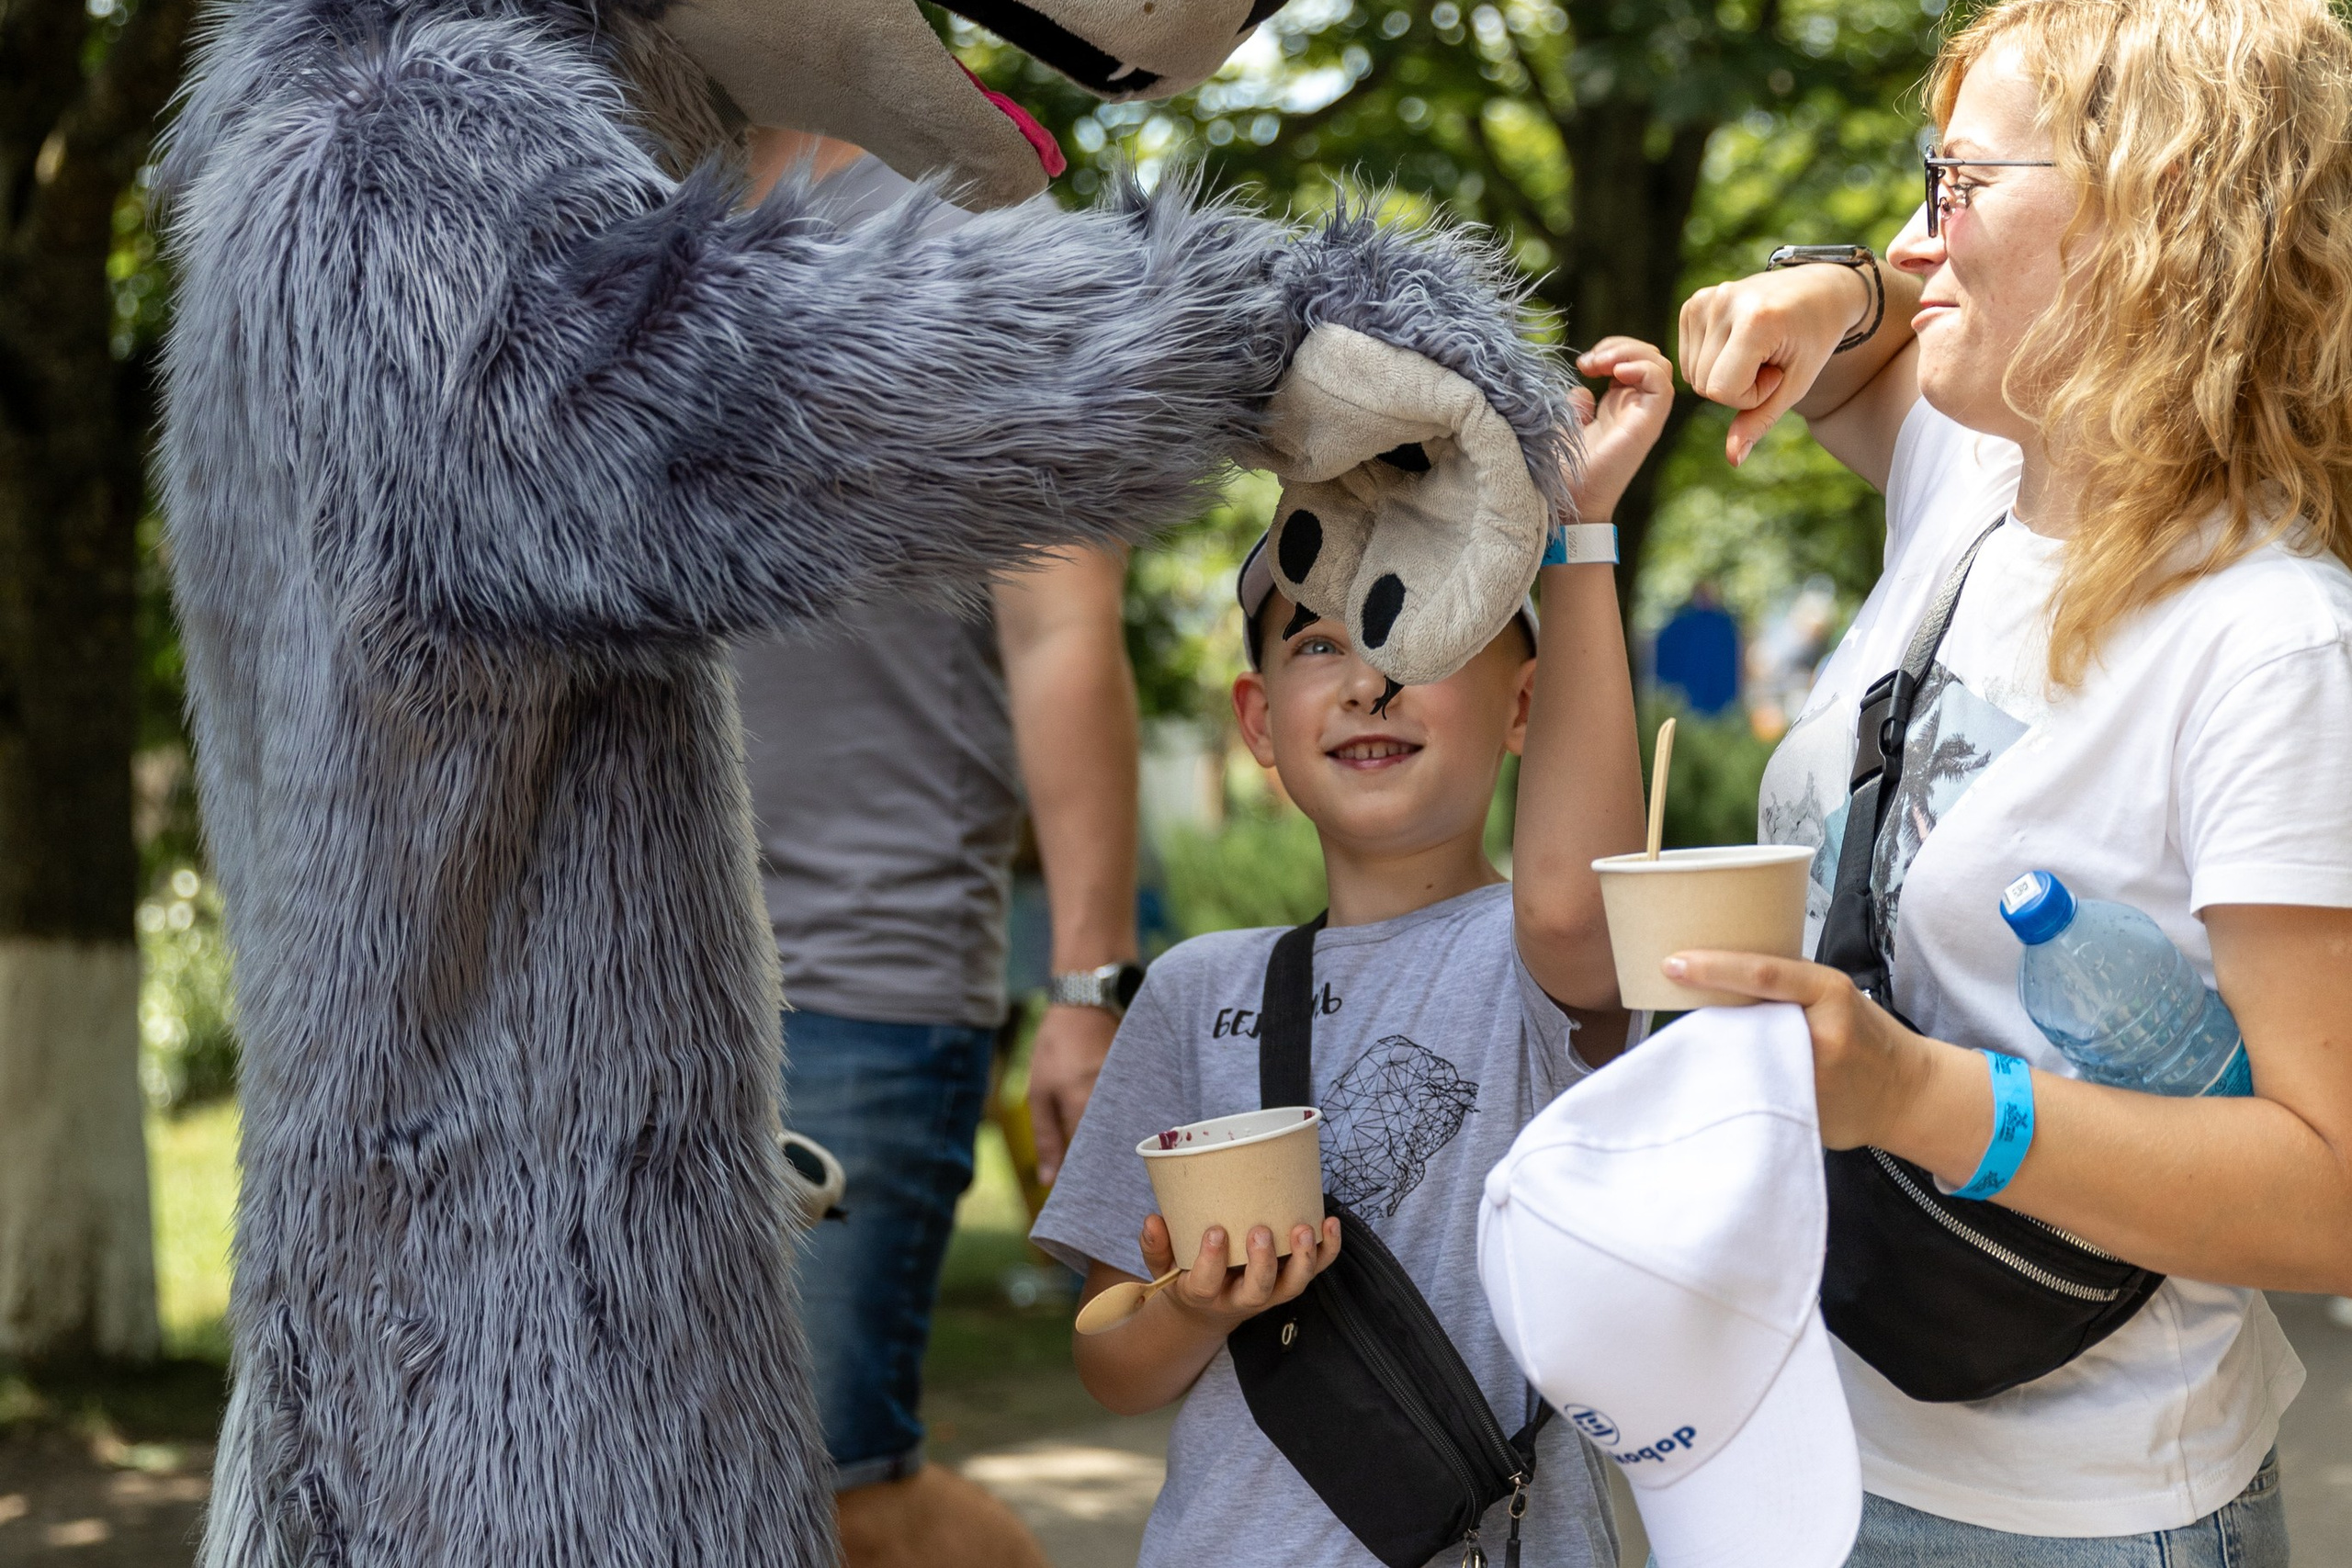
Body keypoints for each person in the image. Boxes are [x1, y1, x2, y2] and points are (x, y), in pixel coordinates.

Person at [1674, 0, 2352, 1560]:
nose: (1917, 242)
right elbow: (1854, 337)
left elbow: (2330, 1190)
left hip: (2089, 1521)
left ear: (2162, 220)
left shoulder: (2271, 645)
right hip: (1816, 1449)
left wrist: (1910, 1096)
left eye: (1955, 185)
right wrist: (1836, 279)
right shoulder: (1974, 476)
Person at [1028, 338, 1673, 1568]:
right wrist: (1189, 1305)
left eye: (1419, 639)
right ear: (1259, 721)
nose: (1371, 680)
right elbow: (1109, 1358)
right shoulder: (1194, 991)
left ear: (1525, 704)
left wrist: (1578, 534)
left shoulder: (1543, 963)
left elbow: (1570, 915)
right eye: (1318, 641)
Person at [734, 130, 1145, 1568]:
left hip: (864, 973)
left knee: (843, 1494)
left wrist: (1091, 990)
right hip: (622, 986)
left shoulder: (970, 221)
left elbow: (1061, 628)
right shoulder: (595, 218)